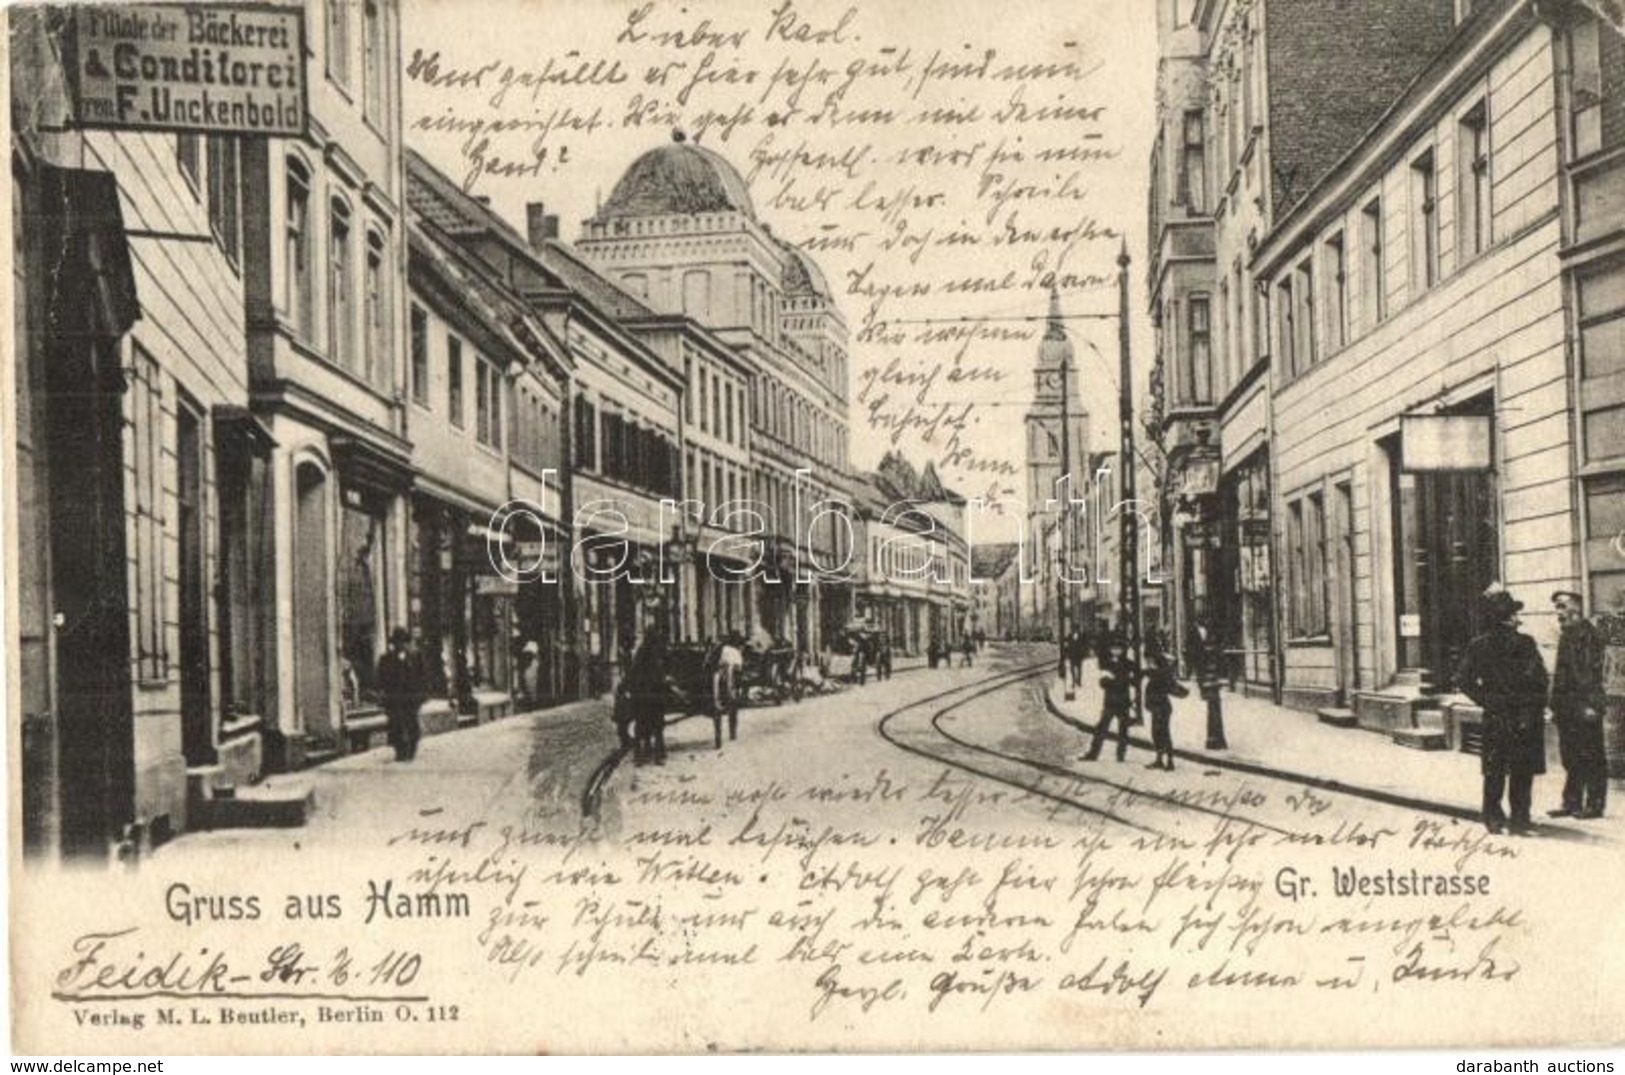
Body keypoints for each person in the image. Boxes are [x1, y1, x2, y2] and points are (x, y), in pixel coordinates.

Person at [1455, 585, 1549, 835]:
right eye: (1515, 614)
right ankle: (1520, 822)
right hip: (1523, 716)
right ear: (1506, 618)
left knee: (1494, 770)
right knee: (1521, 771)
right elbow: (1540, 680)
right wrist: (1535, 706)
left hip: (1498, 715)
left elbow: (1462, 679)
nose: (1519, 618)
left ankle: (1493, 819)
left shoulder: (1479, 645)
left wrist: (1486, 700)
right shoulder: (1526, 644)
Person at [1549, 591, 1608, 819]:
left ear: (1576, 608)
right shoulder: (1567, 636)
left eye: (1562, 607)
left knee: (1591, 755)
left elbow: (1593, 674)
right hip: (1567, 708)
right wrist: (1555, 705)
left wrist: (1592, 705)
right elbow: (1561, 675)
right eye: (1557, 608)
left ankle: (1595, 804)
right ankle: (1571, 802)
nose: (1559, 613)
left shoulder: (1590, 635)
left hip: (1586, 705)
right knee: (1571, 756)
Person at [1082, 634, 1134, 762]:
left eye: (1119, 649)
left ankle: (1120, 755)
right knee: (1100, 729)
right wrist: (1112, 681)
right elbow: (1102, 683)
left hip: (1122, 702)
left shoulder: (1128, 664)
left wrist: (1111, 681)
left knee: (1123, 731)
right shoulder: (1107, 663)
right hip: (1110, 702)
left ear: (1123, 650)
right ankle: (1093, 753)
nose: (1116, 651)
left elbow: (1125, 682)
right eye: (1113, 648)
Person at [376, 627, 425, 762]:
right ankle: (400, 751)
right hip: (394, 698)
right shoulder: (386, 659)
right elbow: (382, 679)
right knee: (396, 725)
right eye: (398, 642)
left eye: (403, 642)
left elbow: (422, 677)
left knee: (412, 725)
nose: (400, 645)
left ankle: (411, 749)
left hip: (411, 698)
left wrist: (421, 696)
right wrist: (383, 695)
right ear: (394, 643)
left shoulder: (415, 656)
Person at [1143, 642, 1189, 771]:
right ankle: (1160, 759)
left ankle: (1169, 760)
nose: (1148, 662)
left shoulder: (1160, 674)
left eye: (1150, 660)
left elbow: (1169, 684)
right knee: (1157, 733)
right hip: (1157, 708)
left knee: (1163, 733)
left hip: (1161, 708)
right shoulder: (1157, 673)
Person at [627, 629, 671, 765]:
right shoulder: (657, 652)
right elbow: (661, 673)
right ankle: (658, 755)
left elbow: (633, 673)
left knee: (641, 725)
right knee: (657, 726)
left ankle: (639, 756)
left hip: (641, 696)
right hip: (654, 695)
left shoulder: (640, 653)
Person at [716, 633, 745, 740]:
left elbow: (719, 664)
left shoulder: (723, 650)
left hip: (720, 682)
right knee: (733, 707)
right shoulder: (736, 652)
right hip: (730, 684)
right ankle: (733, 733)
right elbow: (739, 669)